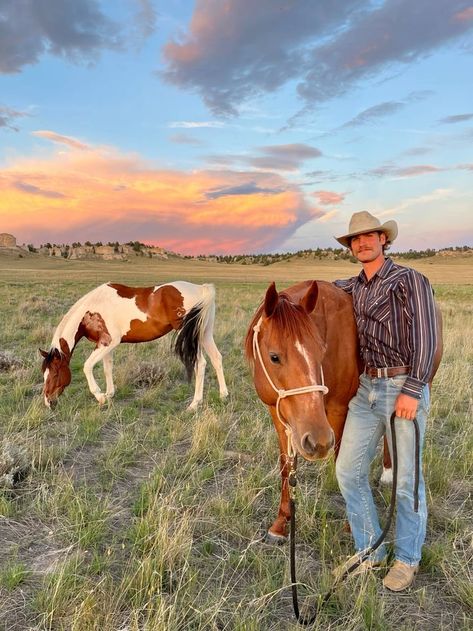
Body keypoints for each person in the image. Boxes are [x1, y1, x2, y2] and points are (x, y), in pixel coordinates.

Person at [332, 211, 438, 591]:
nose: (361, 243)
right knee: (347, 471)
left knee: (407, 481)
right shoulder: (354, 286)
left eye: (368, 237)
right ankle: (370, 549)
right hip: (366, 388)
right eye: (354, 239)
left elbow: (427, 337)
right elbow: (326, 290)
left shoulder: (410, 280)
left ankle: (407, 559)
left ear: (383, 239)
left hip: (401, 384)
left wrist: (413, 388)